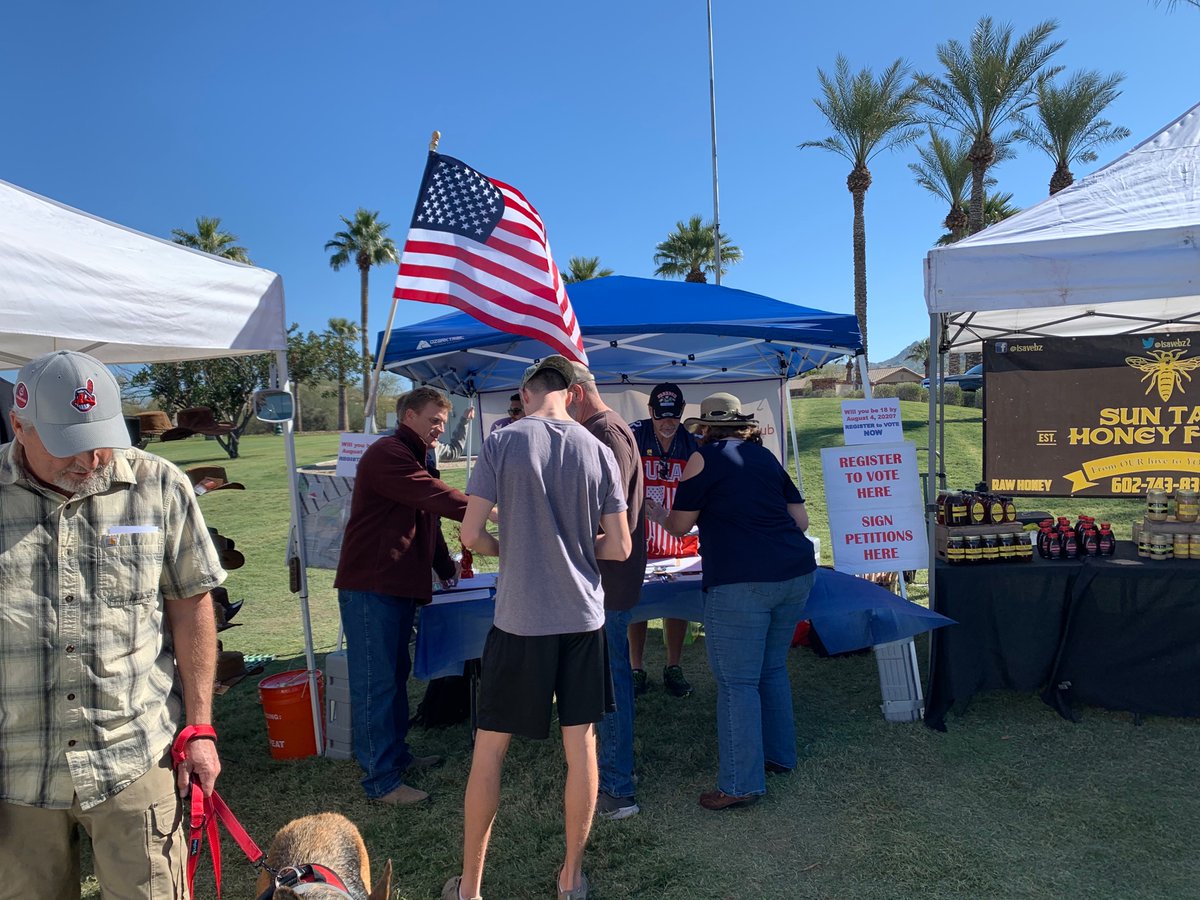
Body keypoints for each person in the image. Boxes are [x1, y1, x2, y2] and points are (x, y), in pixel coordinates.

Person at [0, 350, 225, 898]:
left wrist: (199, 727)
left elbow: (191, 603)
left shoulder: (159, 485)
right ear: (18, 426)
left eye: (103, 436)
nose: (92, 457)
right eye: (67, 443)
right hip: (16, 770)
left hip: (133, 756)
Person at [443, 356, 631, 900]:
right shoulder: (598, 450)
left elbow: (471, 536)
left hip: (520, 620)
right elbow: (617, 546)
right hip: (582, 619)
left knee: (489, 752)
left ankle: (471, 888)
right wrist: (571, 550)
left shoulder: (502, 441)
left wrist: (515, 547)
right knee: (583, 748)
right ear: (571, 394)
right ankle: (570, 879)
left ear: (527, 391)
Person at [646, 392, 816, 811]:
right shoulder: (766, 458)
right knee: (772, 668)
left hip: (742, 581)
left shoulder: (702, 459)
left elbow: (681, 524)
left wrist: (656, 513)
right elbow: (802, 521)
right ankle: (779, 757)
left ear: (704, 429)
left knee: (737, 682)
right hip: (795, 573)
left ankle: (740, 782)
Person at [335, 386, 469, 806]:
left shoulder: (418, 456)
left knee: (393, 678)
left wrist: (446, 569)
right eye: (433, 420)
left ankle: (396, 757)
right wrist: (492, 512)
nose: (438, 430)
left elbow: (425, 516)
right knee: (376, 683)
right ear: (408, 414)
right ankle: (381, 780)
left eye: (443, 424)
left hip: (395, 586)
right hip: (372, 586)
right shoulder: (388, 453)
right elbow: (437, 499)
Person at [566, 362, 646, 821]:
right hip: (605, 577)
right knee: (605, 682)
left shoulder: (604, 433)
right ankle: (609, 775)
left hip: (606, 581)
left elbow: (604, 512)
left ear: (575, 393)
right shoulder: (607, 427)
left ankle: (618, 786)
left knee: (611, 686)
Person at [628, 381, 699, 698]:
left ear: (682, 412)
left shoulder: (693, 442)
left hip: (679, 536)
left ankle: (673, 665)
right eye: (660, 416)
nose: (667, 423)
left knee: (678, 603)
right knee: (636, 603)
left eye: (673, 416)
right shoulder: (634, 434)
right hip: (640, 537)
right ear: (650, 412)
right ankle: (636, 668)